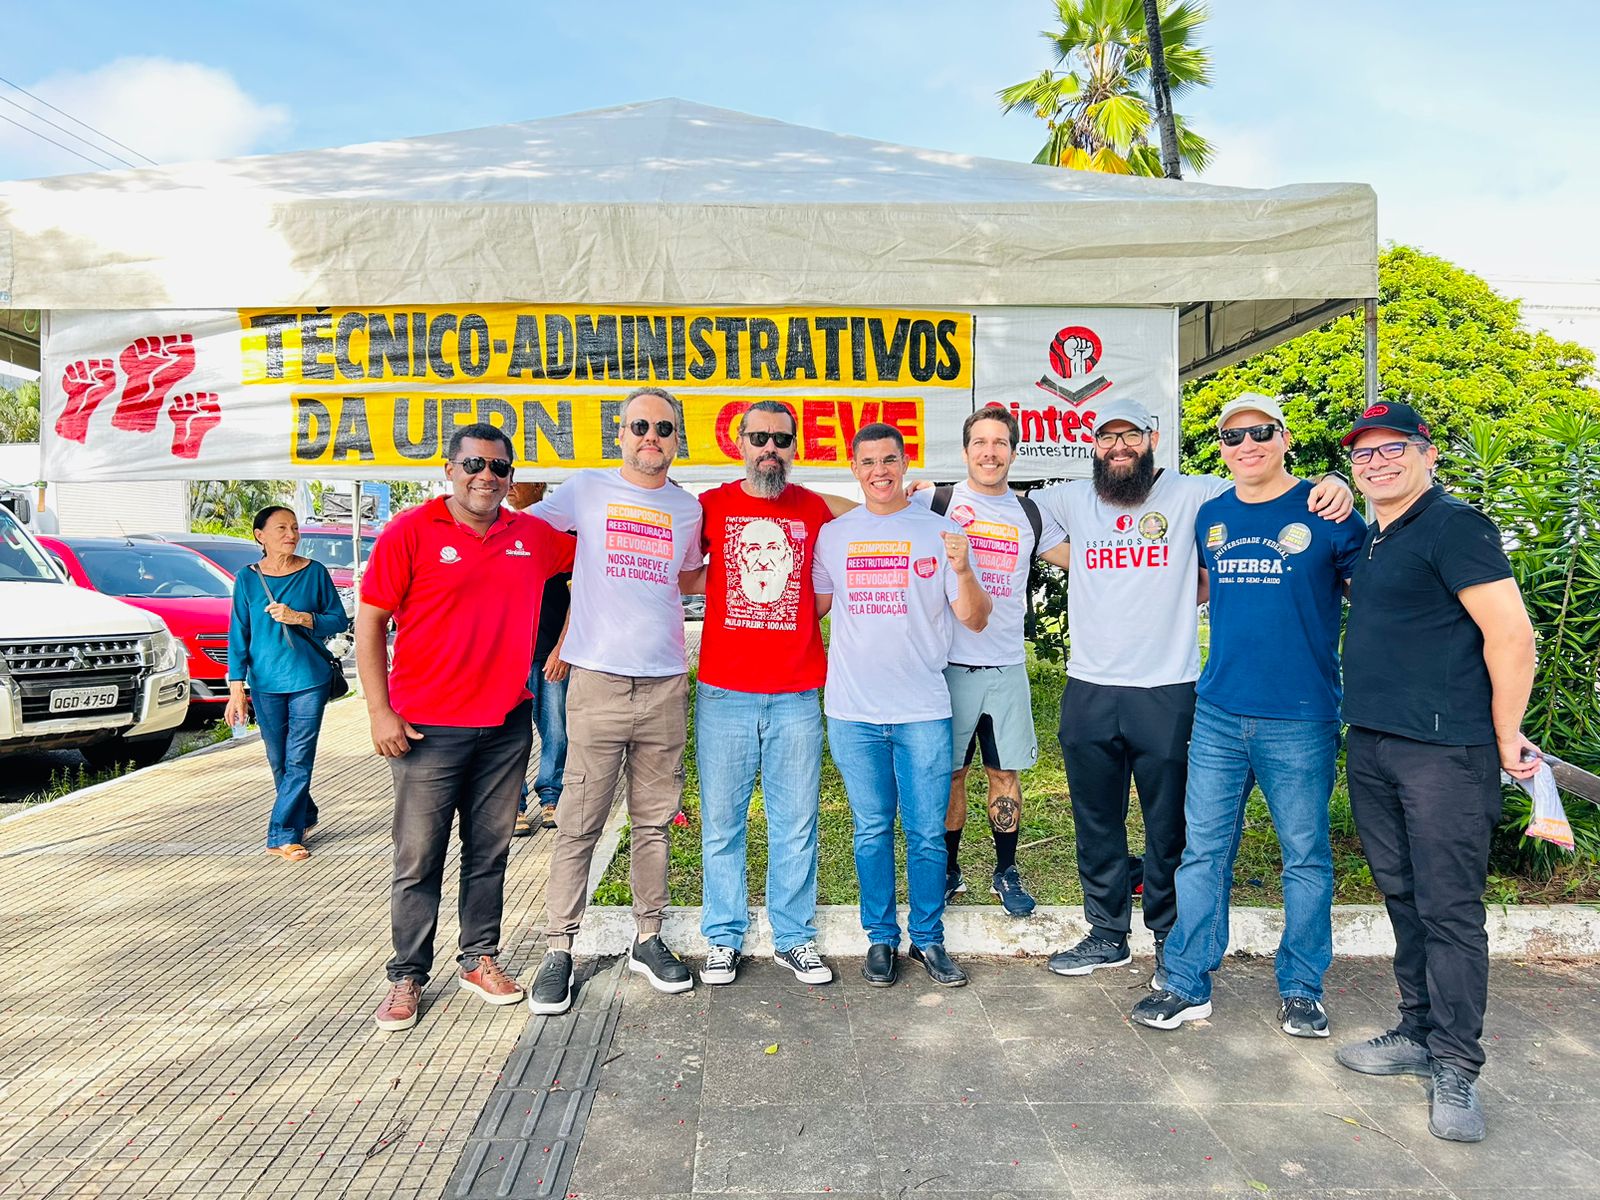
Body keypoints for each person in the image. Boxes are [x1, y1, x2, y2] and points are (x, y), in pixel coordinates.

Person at [1032, 396, 1353, 983]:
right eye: (1107, 438)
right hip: (1089, 685)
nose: (1119, 447)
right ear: (1093, 446)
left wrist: (1333, 482)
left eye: (1130, 436)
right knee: (1096, 818)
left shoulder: (1197, 493)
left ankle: (1167, 932)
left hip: (1171, 685)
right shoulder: (1070, 497)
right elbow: (1005, 508)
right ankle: (1106, 932)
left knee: (1170, 825)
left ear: (1152, 437)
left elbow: (1268, 489)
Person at [1333, 401, 1538, 1144]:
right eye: (1365, 454)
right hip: (1377, 744)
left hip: (1447, 754)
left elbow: (1511, 635)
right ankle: (1416, 1031)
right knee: (1404, 896)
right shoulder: (1381, 538)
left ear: (1428, 455)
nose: (1377, 462)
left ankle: (1457, 1064)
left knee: (1450, 909)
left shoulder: (1456, 525)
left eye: (1394, 450)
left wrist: (1506, 732)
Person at [1130, 394, 1365, 1036]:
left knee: (1306, 856)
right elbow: (1192, 584)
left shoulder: (1328, 510)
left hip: (1302, 716)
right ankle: (1185, 981)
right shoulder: (1212, 516)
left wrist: (1341, 485)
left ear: (1284, 437)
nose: (1247, 445)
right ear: (1223, 449)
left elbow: (1371, 600)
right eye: (1233, 438)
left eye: (1260, 432)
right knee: (1202, 852)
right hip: (1219, 712)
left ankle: (1301, 986)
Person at [358, 423, 576, 1033]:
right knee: (418, 857)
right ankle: (406, 975)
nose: (487, 476)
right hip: (425, 729)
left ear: (512, 477)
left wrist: (566, 643)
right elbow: (370, 622)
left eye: (499, 467)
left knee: (490, 853)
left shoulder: (532, 537)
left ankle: (479, 959)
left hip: (506, 725)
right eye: (475, 464)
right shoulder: (410, 532)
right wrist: (380, 711)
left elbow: (604, 569)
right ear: (450, 470)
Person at [525, 386, 706, 1014]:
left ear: (677, 438)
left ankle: (647, 938)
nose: (650, 436)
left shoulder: (687, 510)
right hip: (597, 683)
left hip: (664, 683)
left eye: (663, 427)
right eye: (639, 426)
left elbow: (684, 576)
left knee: (653, 824)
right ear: (620, 434)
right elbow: (524, 534)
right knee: (578, 821)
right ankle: (559, 950)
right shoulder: (586, 489)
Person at [814, 422, 992, 988]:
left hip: (922, 710)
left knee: (924, 831)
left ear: (903, 462)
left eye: (889, 460)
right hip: (853, 711)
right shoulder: (833, 537)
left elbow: (975, 617)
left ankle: (930, 939)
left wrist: (963, 569)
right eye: (868, 462)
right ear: (854, 468)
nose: (879, 471)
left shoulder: (940, 533)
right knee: (870, 830)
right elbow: (811, 610)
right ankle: (881, 939)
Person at [693, 400, 855, 986]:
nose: (770, 448)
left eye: (781, 440)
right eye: (759, 437)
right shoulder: (710, 505)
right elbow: (681, 569)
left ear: (795, 448)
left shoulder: (812, 508)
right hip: (723, 693)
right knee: (722, 823)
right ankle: (723, 936)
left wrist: (906, 501)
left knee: (795, 822)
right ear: (739, 442)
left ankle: (793, 936)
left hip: (796, 695)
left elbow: (862, 515)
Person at [912, 406, 1069, 915]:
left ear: (1014, 452)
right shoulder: (937, 502)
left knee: (1004, 775)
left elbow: (1087, 558)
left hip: (1006, 666)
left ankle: (1006, 871)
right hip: (948, 666)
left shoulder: (1029, 514)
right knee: (951, 775)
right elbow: (878, 511)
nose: (989, 452)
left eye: (1000, 443)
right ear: (965, 451)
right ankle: (950, 871)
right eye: (980, 442)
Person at [225, 505, 349, 862]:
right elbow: (239, 634)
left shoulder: (315, 573)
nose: (291, 534)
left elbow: (337, 620)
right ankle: (305, 814)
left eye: (294, 527)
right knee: (278, 758)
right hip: (265, 682)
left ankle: (283, 833)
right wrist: (237, 689)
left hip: (309, 678)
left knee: (299, 757)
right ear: (260, 536)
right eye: (281, 528)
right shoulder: (247, 579)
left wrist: (300, 617)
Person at [506, 481, 572, 835]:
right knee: (510, 733)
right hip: (508, 658)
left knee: (556, 730)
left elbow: (581, 595)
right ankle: (512, 804)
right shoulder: (494, 529)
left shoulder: (559, 531)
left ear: (542, 485)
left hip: (550, 655)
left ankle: (552, 795)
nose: (511, 486)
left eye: (521, 479)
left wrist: (563, 647)